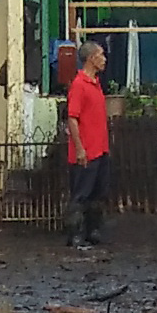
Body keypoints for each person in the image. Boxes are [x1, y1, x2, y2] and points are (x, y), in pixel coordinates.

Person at [64, 39, 110, 248]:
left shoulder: (95, 84)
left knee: (97, 193)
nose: (104, 59)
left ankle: (93, 231)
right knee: (81, 194)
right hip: (86, 150)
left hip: (99, 148)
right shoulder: (79, 85)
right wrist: (80, 148)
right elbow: (72, 118)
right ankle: (75, 234)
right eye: (100, 54)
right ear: (91, 58)